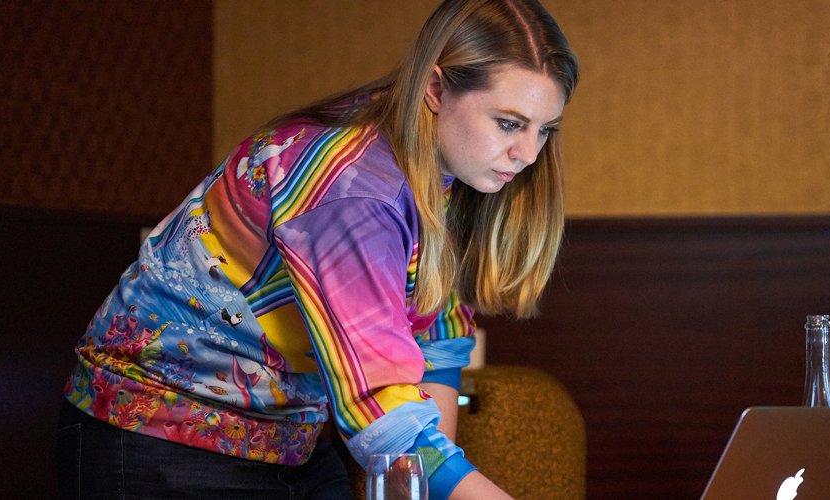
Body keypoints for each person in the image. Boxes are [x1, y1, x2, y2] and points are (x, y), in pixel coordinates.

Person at [55, 0, 578, 498]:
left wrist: (418, 490)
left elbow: (435, 337)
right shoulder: (352, 189)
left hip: (289, 439)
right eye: (510, 123)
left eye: (544, 130)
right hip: (156, 432)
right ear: (436, 89)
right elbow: (383, 412)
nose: (528, 154)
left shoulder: (452, 171)